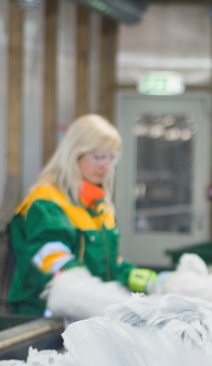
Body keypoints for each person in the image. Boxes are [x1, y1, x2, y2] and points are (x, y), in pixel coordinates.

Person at [7, 114, 160, 320]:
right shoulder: (46, 203)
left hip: (89, 316)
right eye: (98, 157)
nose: (106, 166)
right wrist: (97, 296)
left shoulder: (97, 205)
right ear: (74, 154)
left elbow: (107, 259)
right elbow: (54, 261)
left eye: (111, 158)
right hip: (43, 319)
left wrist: (130, 274)